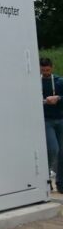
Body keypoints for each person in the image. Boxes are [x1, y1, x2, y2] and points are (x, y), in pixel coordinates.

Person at [40, 57, 63, 193]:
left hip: (60, 119)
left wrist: (58, 98)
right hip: (46, 120)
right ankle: (47, 177)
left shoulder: (59, 81)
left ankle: (60, 183)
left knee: (62, 152)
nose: (46, 73)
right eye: (43, 70)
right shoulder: (36, 82)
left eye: (48, 70)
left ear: (52, 68)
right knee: (53, 149)